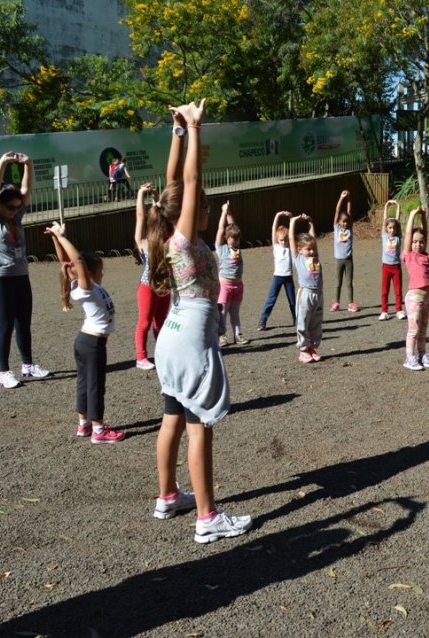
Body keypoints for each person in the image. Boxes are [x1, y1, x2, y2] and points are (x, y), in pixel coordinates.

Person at [147, 100, 252, 543]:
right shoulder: (185, 241)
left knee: (171, 418)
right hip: (190, 338)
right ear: (190, 211)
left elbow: (173, 184)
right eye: (200, 205)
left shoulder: (166, 234)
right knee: (198, 427)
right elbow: (188, 180)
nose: (202, 208)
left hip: (170, 337)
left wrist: (175, 133)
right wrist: (194, 127)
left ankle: (168, 496)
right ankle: (207, 518)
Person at [45, 222, 123, 444]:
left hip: (85, 341)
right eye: (100, 269)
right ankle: (98, 430)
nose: (102, 272)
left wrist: (56, 238)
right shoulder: (86, 287)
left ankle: (84, 425)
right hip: (92, 344)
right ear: (88, 272)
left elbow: (66, 262)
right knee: (94, 385)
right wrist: (61, 236)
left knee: (83, 383)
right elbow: (77, 261)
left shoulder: (81, 286)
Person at [0, 151, 50, 389]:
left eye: (17, 207)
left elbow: (26, 189)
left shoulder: (16, 217)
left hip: (21, 275)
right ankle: (3, 372)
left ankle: (28, 366)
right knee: (6, 324)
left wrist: (28, 164)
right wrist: (2, 162)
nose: (15, 210)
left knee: (24, 322)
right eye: (10, 206)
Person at [133, 182, 171, 371]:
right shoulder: (145, 243)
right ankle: (141, 357)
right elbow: (140, 217)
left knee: (161, 322)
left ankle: (162, 352)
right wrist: (142, 193)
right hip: (148, 287)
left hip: (164, 286)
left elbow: (161, 213)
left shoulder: (168, 241)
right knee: (145, 322)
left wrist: (154, 195)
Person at [402, 208, 429, 371]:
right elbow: (408, 234)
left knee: (423, 330)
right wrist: (412, 215)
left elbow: (425, 232)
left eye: (421, 242)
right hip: (414, 299)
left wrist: (423, 216)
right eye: (415, 242)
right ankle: (410, 357)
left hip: (426, 300)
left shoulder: (424, 255)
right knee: (413, 330)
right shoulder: (409, 255)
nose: (418, 244)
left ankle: (422, 354)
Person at [290, 213, 324, 362]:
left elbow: (313, 239)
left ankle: (312, 347)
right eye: (307, 249)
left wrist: (310, 222)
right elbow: (291, 239)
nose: (311, 251)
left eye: (312, 248)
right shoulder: (298, 258)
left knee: (316, 322)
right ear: (299, 250)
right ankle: (303, 349)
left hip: (318, 294)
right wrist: (293, 222)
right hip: (306, 294)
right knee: (303, 321)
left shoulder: (315, 256)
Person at [215, 200, 249, 346]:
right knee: (222, 312)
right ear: (226, 239)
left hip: (238, 285)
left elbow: (233, 227)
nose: (235, 241)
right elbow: (221, 229)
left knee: (235, 313)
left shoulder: (237, 248)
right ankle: (222, 336)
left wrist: (229, 211)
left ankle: (238, 335)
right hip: (225, 285)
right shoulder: (222, 249)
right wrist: (223, 213)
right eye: (232, 238)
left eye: (237, 238)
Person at [257, 211, 296, 331]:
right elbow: (274, 227)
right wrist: (278, 215)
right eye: (281, 240)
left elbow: (292, 233)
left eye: (285, 240)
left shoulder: (290, 248)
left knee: (293, 301)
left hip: (288, 277)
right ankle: (263, 320)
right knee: (271, 300)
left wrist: (291, 218)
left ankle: (297, 319)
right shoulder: (276, 247)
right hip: (277, 277)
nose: (283, 242)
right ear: (277, 240)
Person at [330, 190, 358, 312]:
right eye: (343, 221)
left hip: (348, 260)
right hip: (338, 260)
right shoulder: (336, 228)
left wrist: (349, 198)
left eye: (346, 221)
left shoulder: (350, 229)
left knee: (349, 283)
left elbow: (349, 212)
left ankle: (351, 303)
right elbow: (337, 212)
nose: (345, 223)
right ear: (339, 222)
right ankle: (336, 302)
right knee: (338, 282)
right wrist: (341, 198)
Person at [379, 199, 405, 321]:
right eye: (390, 228)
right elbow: (384, 221)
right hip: (386, 267)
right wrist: (386, 206)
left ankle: (399, 310)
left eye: (393, 228)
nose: (392, 230)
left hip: (396, 267)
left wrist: (398, 206)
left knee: (398, 290)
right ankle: (384, 311)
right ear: (386, 228)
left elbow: (398, 220)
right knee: (384, 290)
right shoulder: (384, 236)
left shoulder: (398, 237)